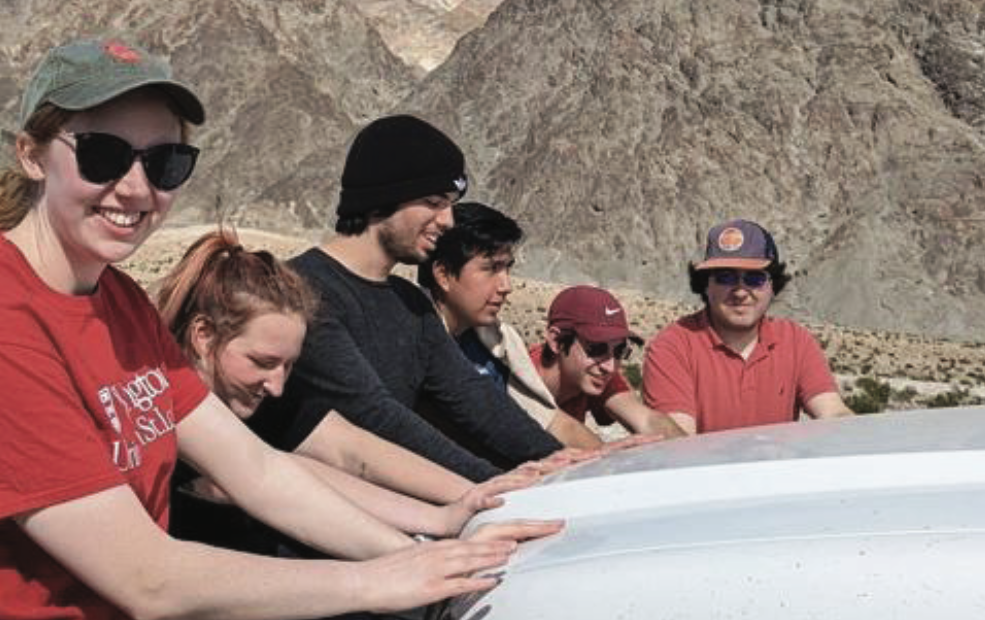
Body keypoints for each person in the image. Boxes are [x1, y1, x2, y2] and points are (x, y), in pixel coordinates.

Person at [0, 40, 555, 620]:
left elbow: (259, 471)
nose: (135, 186)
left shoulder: (117, 300)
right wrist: (382, 579)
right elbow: (145, 576)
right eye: (101, 153)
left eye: (164, 161)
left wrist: (437, 532)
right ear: (31, 154)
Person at [147, 229, 545, 620]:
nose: (276, 385)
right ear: (202, 336)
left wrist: (452, 514)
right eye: (262, 362)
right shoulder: (158, 409)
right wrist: (404, 557)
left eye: (289, 367)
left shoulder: (254, 398)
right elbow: (265, 483)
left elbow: (336, 457)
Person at [285, 116, 562, 483]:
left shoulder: (409, 302)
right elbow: (375, 415)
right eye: (433, 201)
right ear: (380, 198)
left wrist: (559, 459)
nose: (447, 220)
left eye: (450, 204)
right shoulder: (303, 290)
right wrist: (492, 482)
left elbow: (471, 396)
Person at [641, 218, 854, 434]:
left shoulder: (796, 341)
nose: (741, 292)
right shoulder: (672, 346)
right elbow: (677, 440)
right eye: (725, 277)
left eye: (754, 278)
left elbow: (833, 413)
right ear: (706, 286)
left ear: (773, 286)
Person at [418, 202, 603, 449]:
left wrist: (610, 462)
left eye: (507, 268)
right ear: (443, 275)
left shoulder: (499, 341)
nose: (506, 286)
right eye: (491, 268)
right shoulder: (410, 339)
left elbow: (552, 422)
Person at [520, 285, 686, 447]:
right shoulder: (519, 378)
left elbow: (648, 421)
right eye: (596, 348)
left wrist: (692, 457)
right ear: (556, 342)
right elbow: (565, 429)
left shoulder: (596, 373)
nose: (610, 367)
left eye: (619, 351)